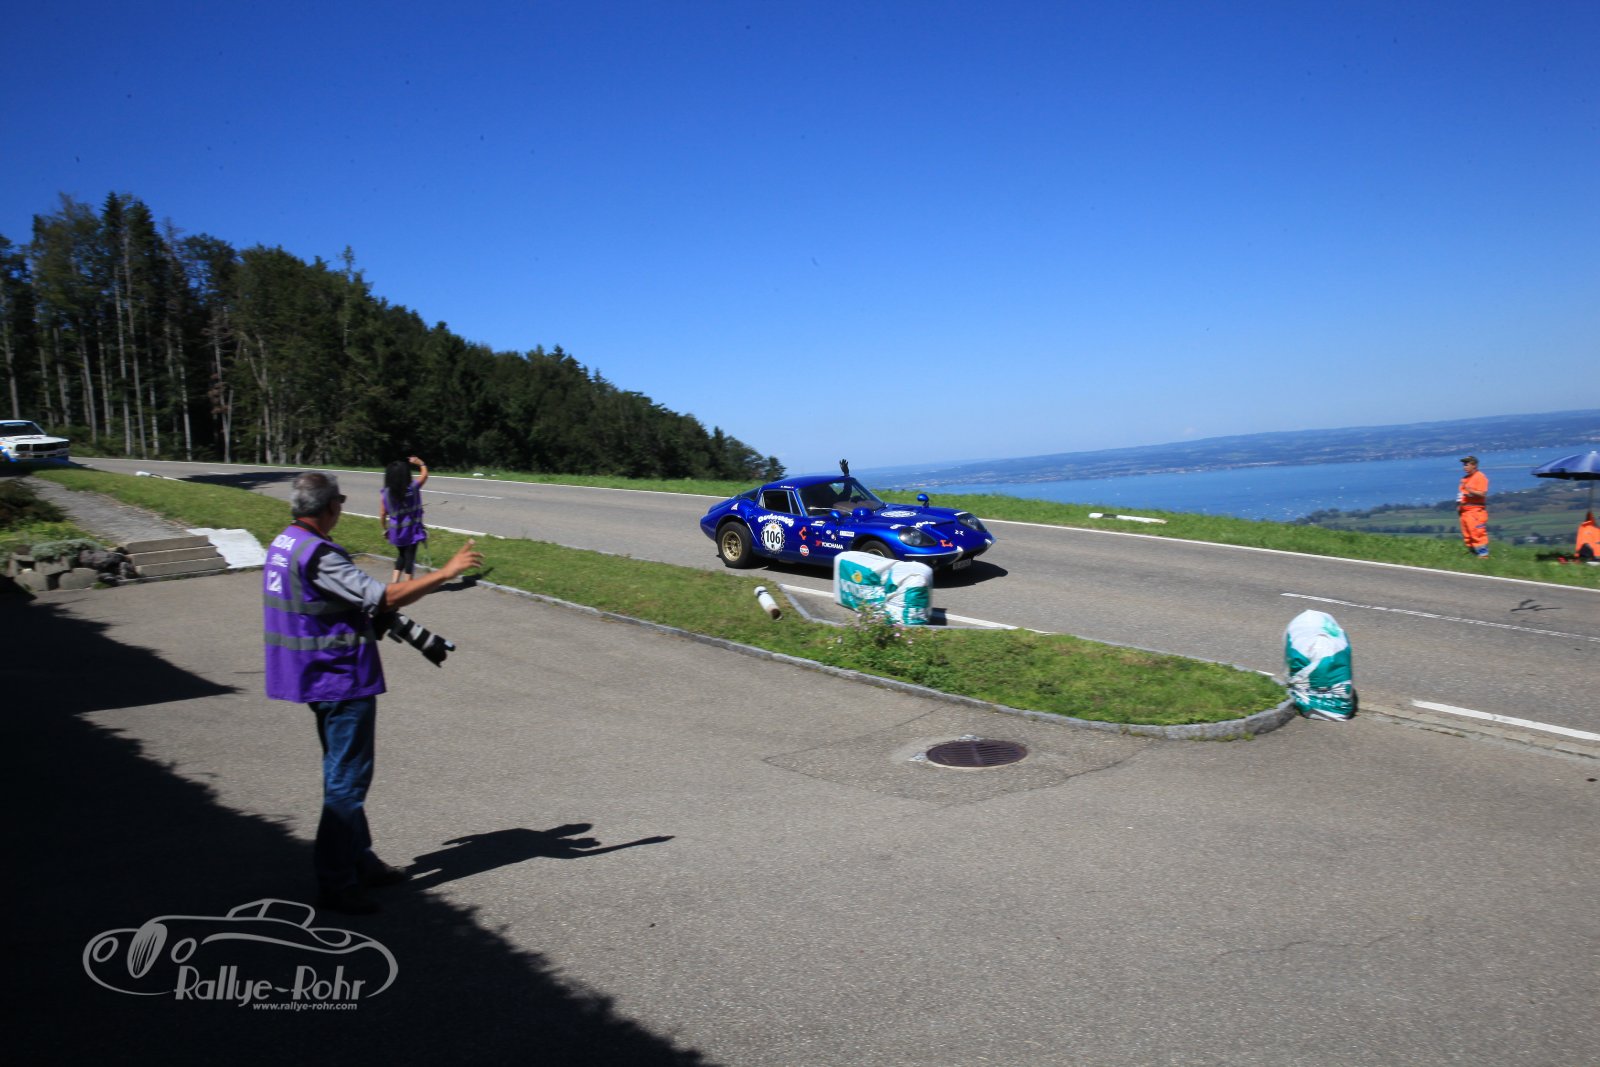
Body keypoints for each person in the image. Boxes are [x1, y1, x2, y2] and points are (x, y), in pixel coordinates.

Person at [264, 471, 482, 914]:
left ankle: (360, 860)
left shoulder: (285, 543)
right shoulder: (319, 554)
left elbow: (327, 602)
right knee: (346, 785)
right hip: (339, 677)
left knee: (340, 774)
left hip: (312, 675)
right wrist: (446, 573)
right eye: (340, 501)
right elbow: (383, 597)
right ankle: (336, 884)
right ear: (330, 506)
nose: (341, 508)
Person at [380, 455, 429, 582]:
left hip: (396, 532)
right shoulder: (413, 487)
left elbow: (383, 513)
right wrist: (420, 463)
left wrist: (384, 529)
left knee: (402, 555)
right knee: (410, 558)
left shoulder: (386, 493)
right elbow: (424, 475)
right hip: (412, 532)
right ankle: (408, 586)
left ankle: (394, 583)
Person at [1457, 456, 1490, 557]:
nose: (1464, 467)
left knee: (1477, 533)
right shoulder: (1465, 479)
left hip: (1475, 510)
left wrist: (1470, 490)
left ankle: (1483, 555)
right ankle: (1473, 553)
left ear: (1474, 465)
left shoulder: (1480, 477)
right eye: (1464, 465)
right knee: (1467, 535)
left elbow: (1482, 493)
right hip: (1465, 511)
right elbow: (1461, 494)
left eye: (1467, 465)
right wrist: (1459, 507)